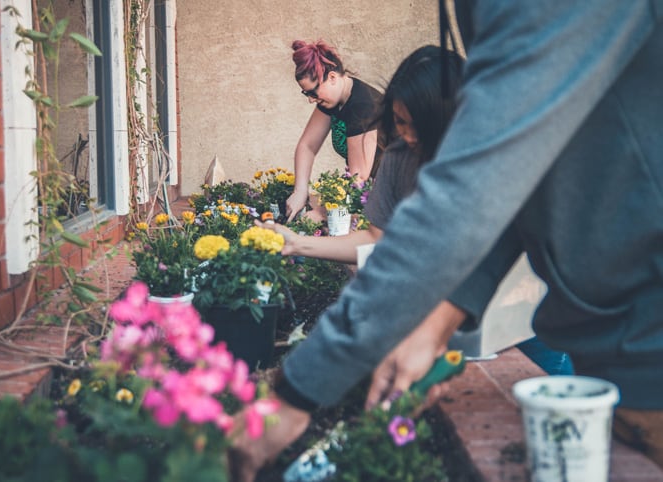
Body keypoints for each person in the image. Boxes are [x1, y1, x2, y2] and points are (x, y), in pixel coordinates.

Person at [230, 1, 663, 479]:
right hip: (614, 348)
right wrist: (439, 320)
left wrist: (300, 389)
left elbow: (476, 186)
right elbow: (508, 188)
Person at [266, 44, 573, 377]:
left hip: (527, 312)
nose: (407, 136)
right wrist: (297, 243)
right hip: (457, 318)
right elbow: (376, 239)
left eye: (418, 126)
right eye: (399, 122)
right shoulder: (398, 157)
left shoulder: (495, 157)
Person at [285, 39, 383, 222]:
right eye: (306, 94)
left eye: (313, 92)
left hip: (395, 194)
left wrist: (322, 213)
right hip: (369, 194)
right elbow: (307, 146)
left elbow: (358, 179)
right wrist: (300, 191)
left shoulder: (362, 106)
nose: (311, 100)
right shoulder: (333, 100)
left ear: (332, 77)